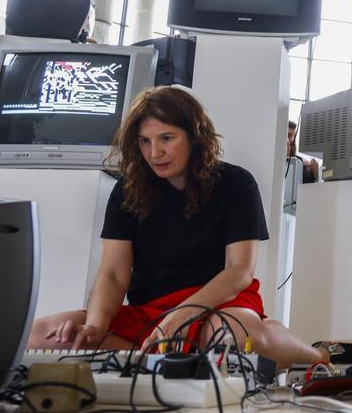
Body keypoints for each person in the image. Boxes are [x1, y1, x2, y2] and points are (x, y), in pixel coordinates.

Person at [27, 87, 327, 367]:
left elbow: (239, 271)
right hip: (151, 312)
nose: (154, 152)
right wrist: (94, 328)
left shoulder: (237, 183)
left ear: (195, 137)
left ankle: (320, 356)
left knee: (232, 337)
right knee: (42, 336)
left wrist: (184, 314)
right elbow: (113, 274)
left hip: (220, 303)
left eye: (166, 138)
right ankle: (165, 365)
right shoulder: (127, 191)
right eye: (145, 141)